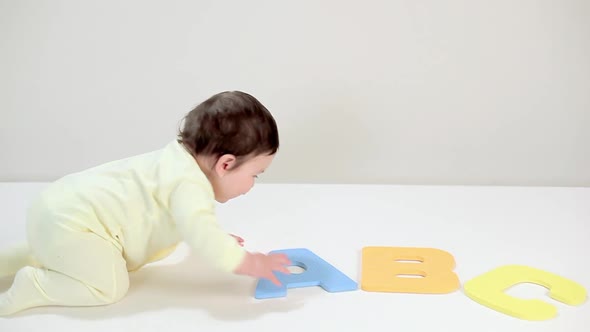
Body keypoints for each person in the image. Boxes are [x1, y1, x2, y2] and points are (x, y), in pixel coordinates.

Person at [0, 90, 291, 316]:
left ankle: (10, 260)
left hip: (57, 209)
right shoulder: (188, 185)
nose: (253, 184)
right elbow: (200, 231)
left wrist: (209, 236)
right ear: (226, 164)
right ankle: (34, 286)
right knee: (109, 287)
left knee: (57, 249)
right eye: (256, 175)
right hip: (77, 224)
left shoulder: (174, 162)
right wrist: (250, 262)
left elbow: (189, 223)